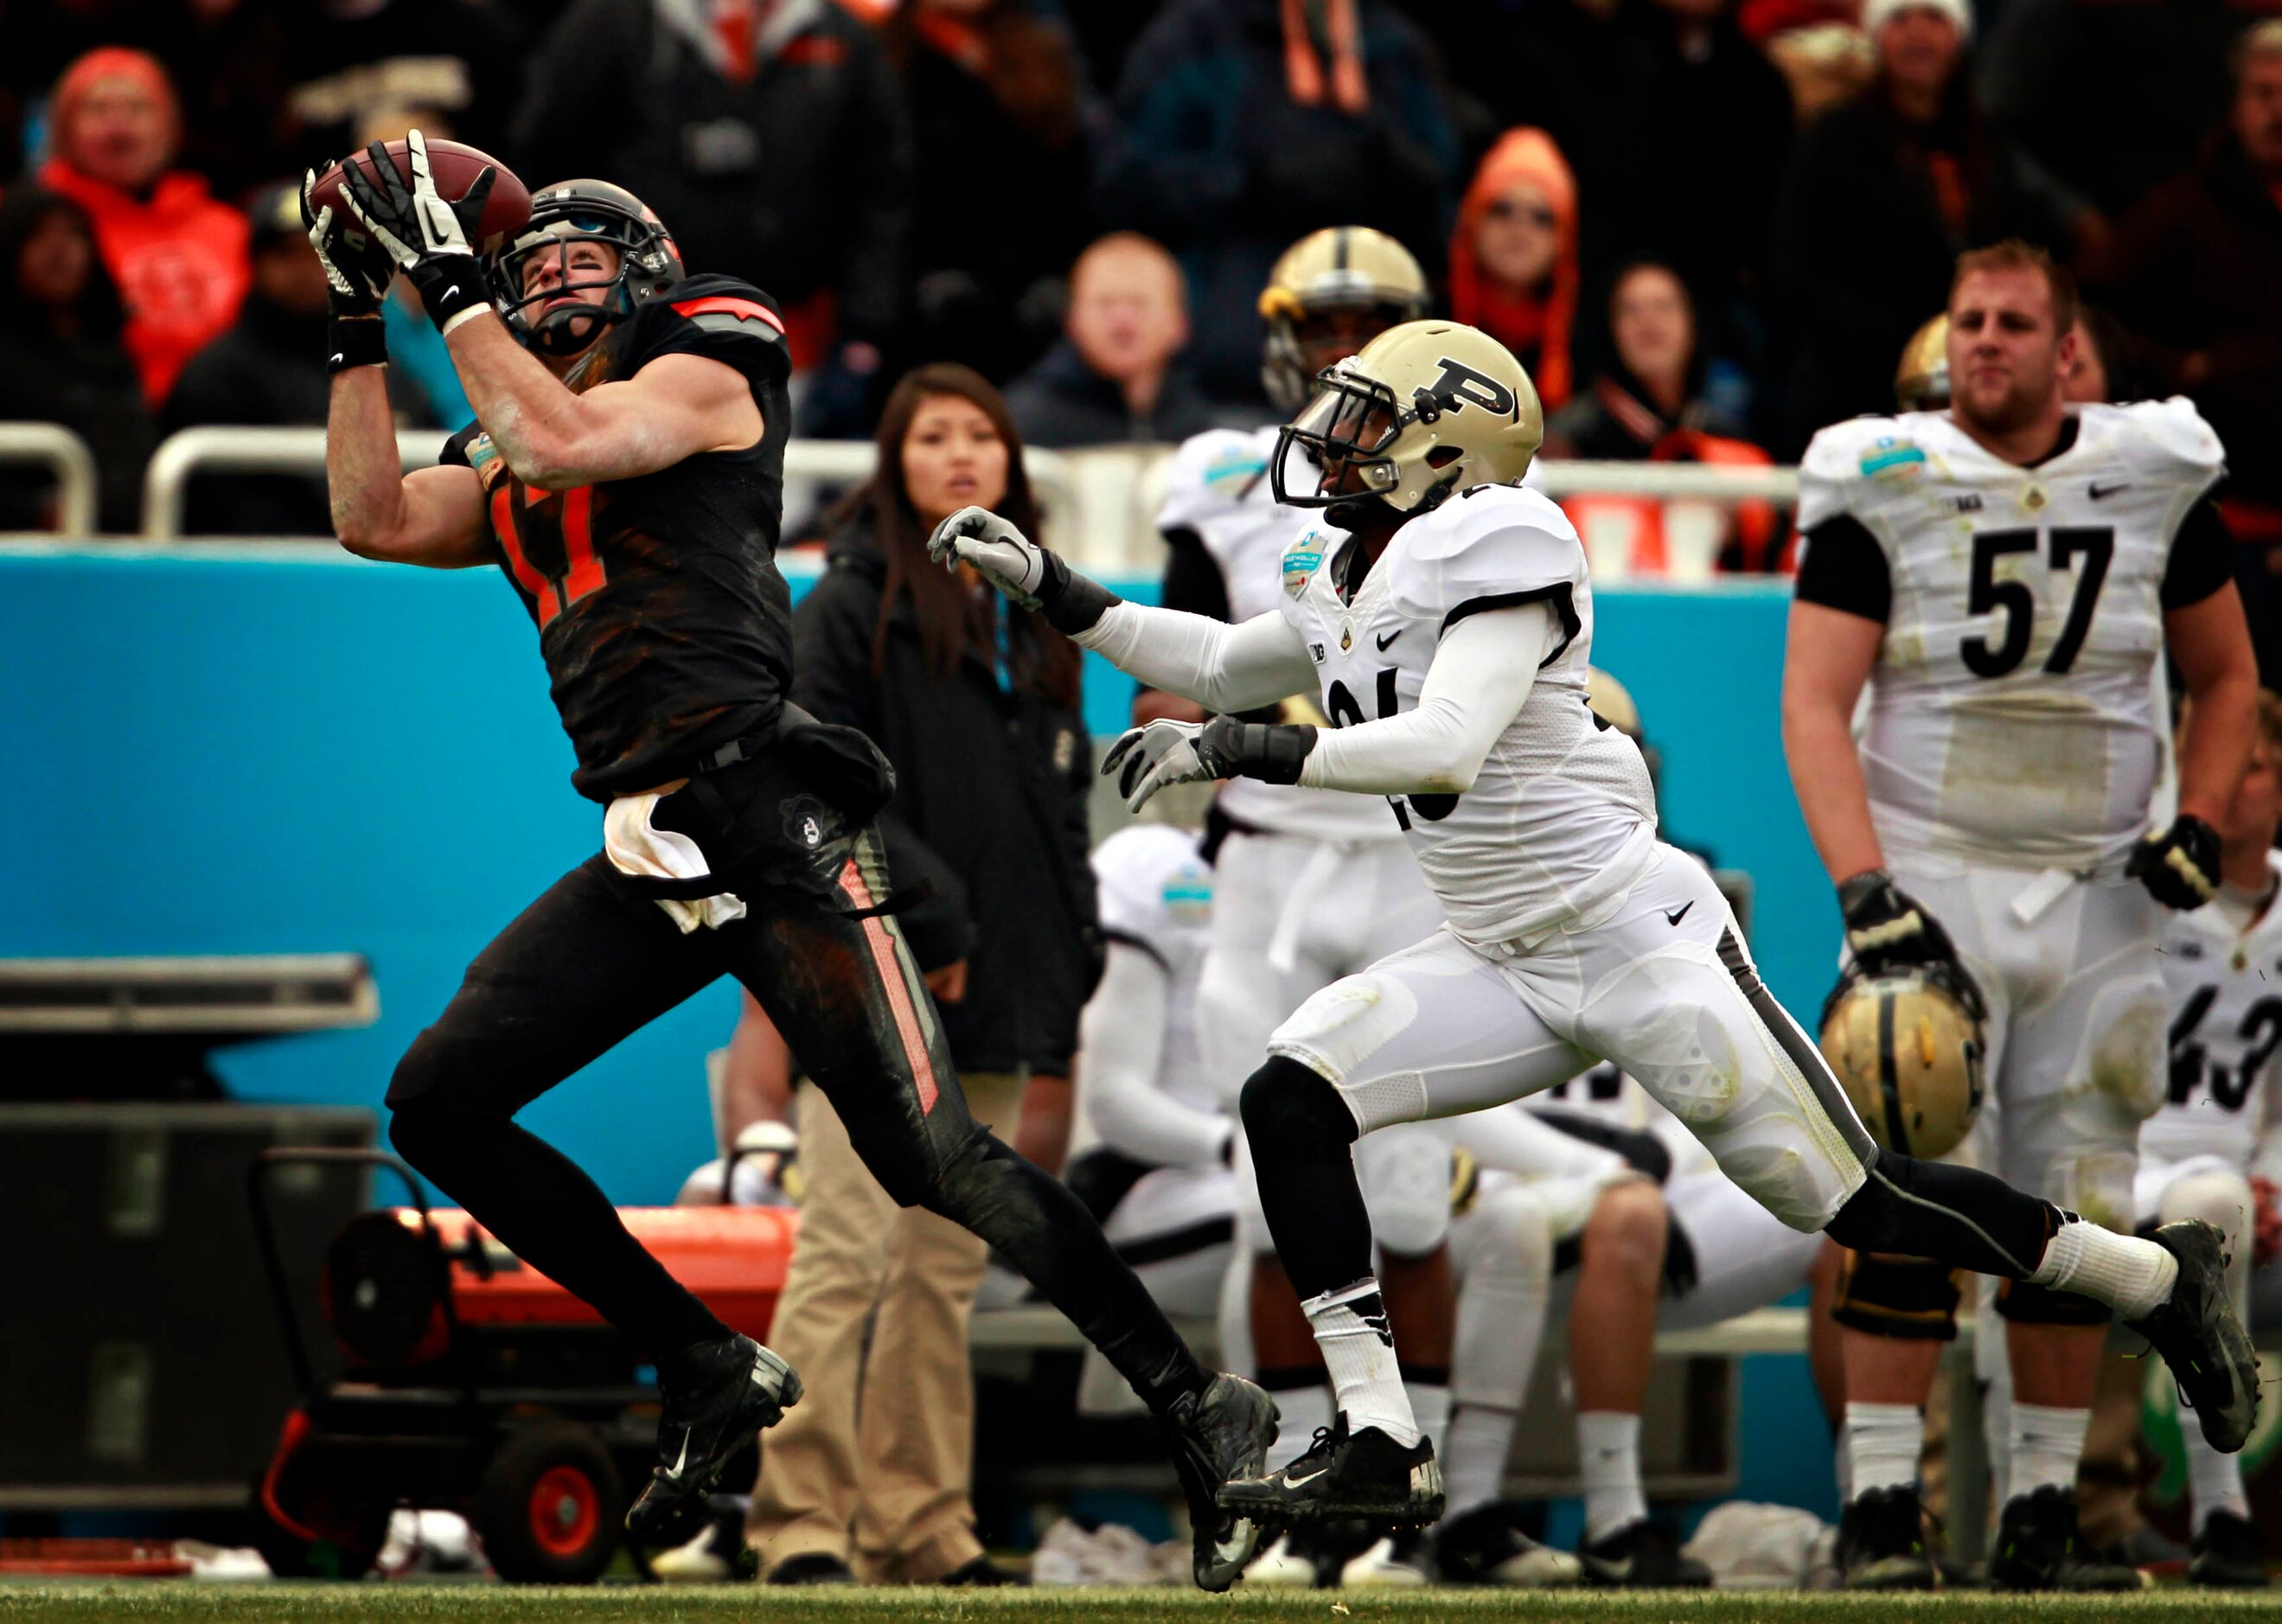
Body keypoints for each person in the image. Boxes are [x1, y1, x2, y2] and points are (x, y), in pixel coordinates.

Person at [929, 314, 2258, 1544]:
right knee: (1288, 1096)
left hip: (1632, 939)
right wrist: (1049, 583)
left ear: (1448, 450)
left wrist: (1246, 752)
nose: (1329, 443)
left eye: (1363, 422)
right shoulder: (1343, 558)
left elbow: (1442, 745)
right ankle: (1380, 1427)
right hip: (1493, 952)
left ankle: (2150, 1275)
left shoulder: (1504, 538)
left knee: (1862, 1200)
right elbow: (1216, 659)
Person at [305, 131, 1272, 1589]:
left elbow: (576, 441)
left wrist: (450, 285)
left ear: (643, 281)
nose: (554, 285)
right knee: (440, 1102)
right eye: (531, 267)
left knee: (928, 1152)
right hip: (649, 835)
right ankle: (701, 1363)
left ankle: (1202, 1411)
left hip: (767, 813)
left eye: (583, 264)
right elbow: (374, 517)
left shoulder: (710, 350)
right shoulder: (509, 421)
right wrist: (352, 320)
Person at [1780, 240, 2262, 1589]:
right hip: (1931, 876)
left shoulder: (2152, 474)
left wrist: (2200, 817)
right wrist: (1863, 884)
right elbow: (1813, 699)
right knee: (1900, 1169)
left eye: (2010, 323)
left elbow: (2225, 677)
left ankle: (2042, 1503)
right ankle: (1880, 1499)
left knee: (2085, 1196)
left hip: (2102, 892)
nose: (1980, 342)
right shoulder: (1882, 479)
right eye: (1966, 320)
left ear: (2066, 351)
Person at [739, 364, 1105, 1587]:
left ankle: (921, 1532)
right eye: (933, 436)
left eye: (980, 437)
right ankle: (797, 1528)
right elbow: (812, 786)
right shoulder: (846, 605)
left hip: (1003, 996)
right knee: (845, 1253)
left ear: (1008, 465)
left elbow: (1061, 814)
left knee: (942, 1274)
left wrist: (1072, 956)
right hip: (874, 977)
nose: (960, 454)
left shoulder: (1039, 618)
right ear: (895, 462)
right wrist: (929, 916)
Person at [512, 0, 911, 434]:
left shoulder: (840, 35)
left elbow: (883, 192)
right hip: (640, 336)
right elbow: (545, 171)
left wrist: (862, 333)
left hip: (801, 338)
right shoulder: (611, 25)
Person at [1093, 0, 1459, 407]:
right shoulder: (1195, 38)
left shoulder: (1392, 44)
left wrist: (1392, 161)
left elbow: (1444, 197)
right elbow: (1127, 184)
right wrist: (1249, 182)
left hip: (1387, 385)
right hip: (1226, 377)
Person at [1768, 0, 2082, 454]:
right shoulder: (1833, 142)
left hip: (1986, 392)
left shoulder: (1991, 146)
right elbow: (1801, 279)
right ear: (1877, 37)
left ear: (1958, 36)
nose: (1918, 34)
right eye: (1900, 18)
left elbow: (2035, 256)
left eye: (1934, 18)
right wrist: (1917, 341)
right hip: (1859, 395)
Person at [2129, 693, 2282, 1589]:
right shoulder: (2144, 899)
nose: (2225, 787)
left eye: (2250, 766)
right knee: (2203, 1213)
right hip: (2125, 1177)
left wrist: (2273, 1183)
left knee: (2218, 1203)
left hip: (2244, 1187)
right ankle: (2219, 1511)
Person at [167, 182, 437, 536]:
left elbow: (428, 474)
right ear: (256, 264)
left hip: (381, 569)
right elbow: (212, 510)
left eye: (322, 254)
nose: (307, 269)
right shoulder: (215, 376)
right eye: (287, 253)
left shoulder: (382, 365)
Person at [888, 0, 1098, 384]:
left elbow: (1073, 180)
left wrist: (1059, 278)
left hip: (1033, 317)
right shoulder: (886, 55)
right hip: (919, 318)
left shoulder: (1043, 49)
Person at [35, 46, 250, 407]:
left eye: (138, 108)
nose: (119, 128)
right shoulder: (32, 228)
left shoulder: (229, 228)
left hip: (226, 426)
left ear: (169, 126)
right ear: (63, 129)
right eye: (97, 109)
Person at [1546, 261, 1781, 575]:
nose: (1649, 321)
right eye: (1631, 310)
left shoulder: (1728, 437)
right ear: (1610, 328)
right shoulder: (1564, 441)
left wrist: (1742, 529)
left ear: (1693, 323)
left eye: (1664, 306)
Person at [0, 186, 151, 534]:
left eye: (74, 233)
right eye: (37, 234)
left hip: (121, 551)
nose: (59, 249)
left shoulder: (111, 350)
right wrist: (31, 513)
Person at [1006, 233, 1216, 449]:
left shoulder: (1208, 431)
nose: (1122, 320)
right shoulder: (1023, 426)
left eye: (1139, 303)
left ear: (1179, 324)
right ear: (1072, 321)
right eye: (1105, 303)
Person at [1447, 129, 1580, 412]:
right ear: (1471, 224)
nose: (1519, 230)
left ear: (1564, 241)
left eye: (1542, 218)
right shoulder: (1423, 325)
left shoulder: (1592, 349)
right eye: (1501, 210)